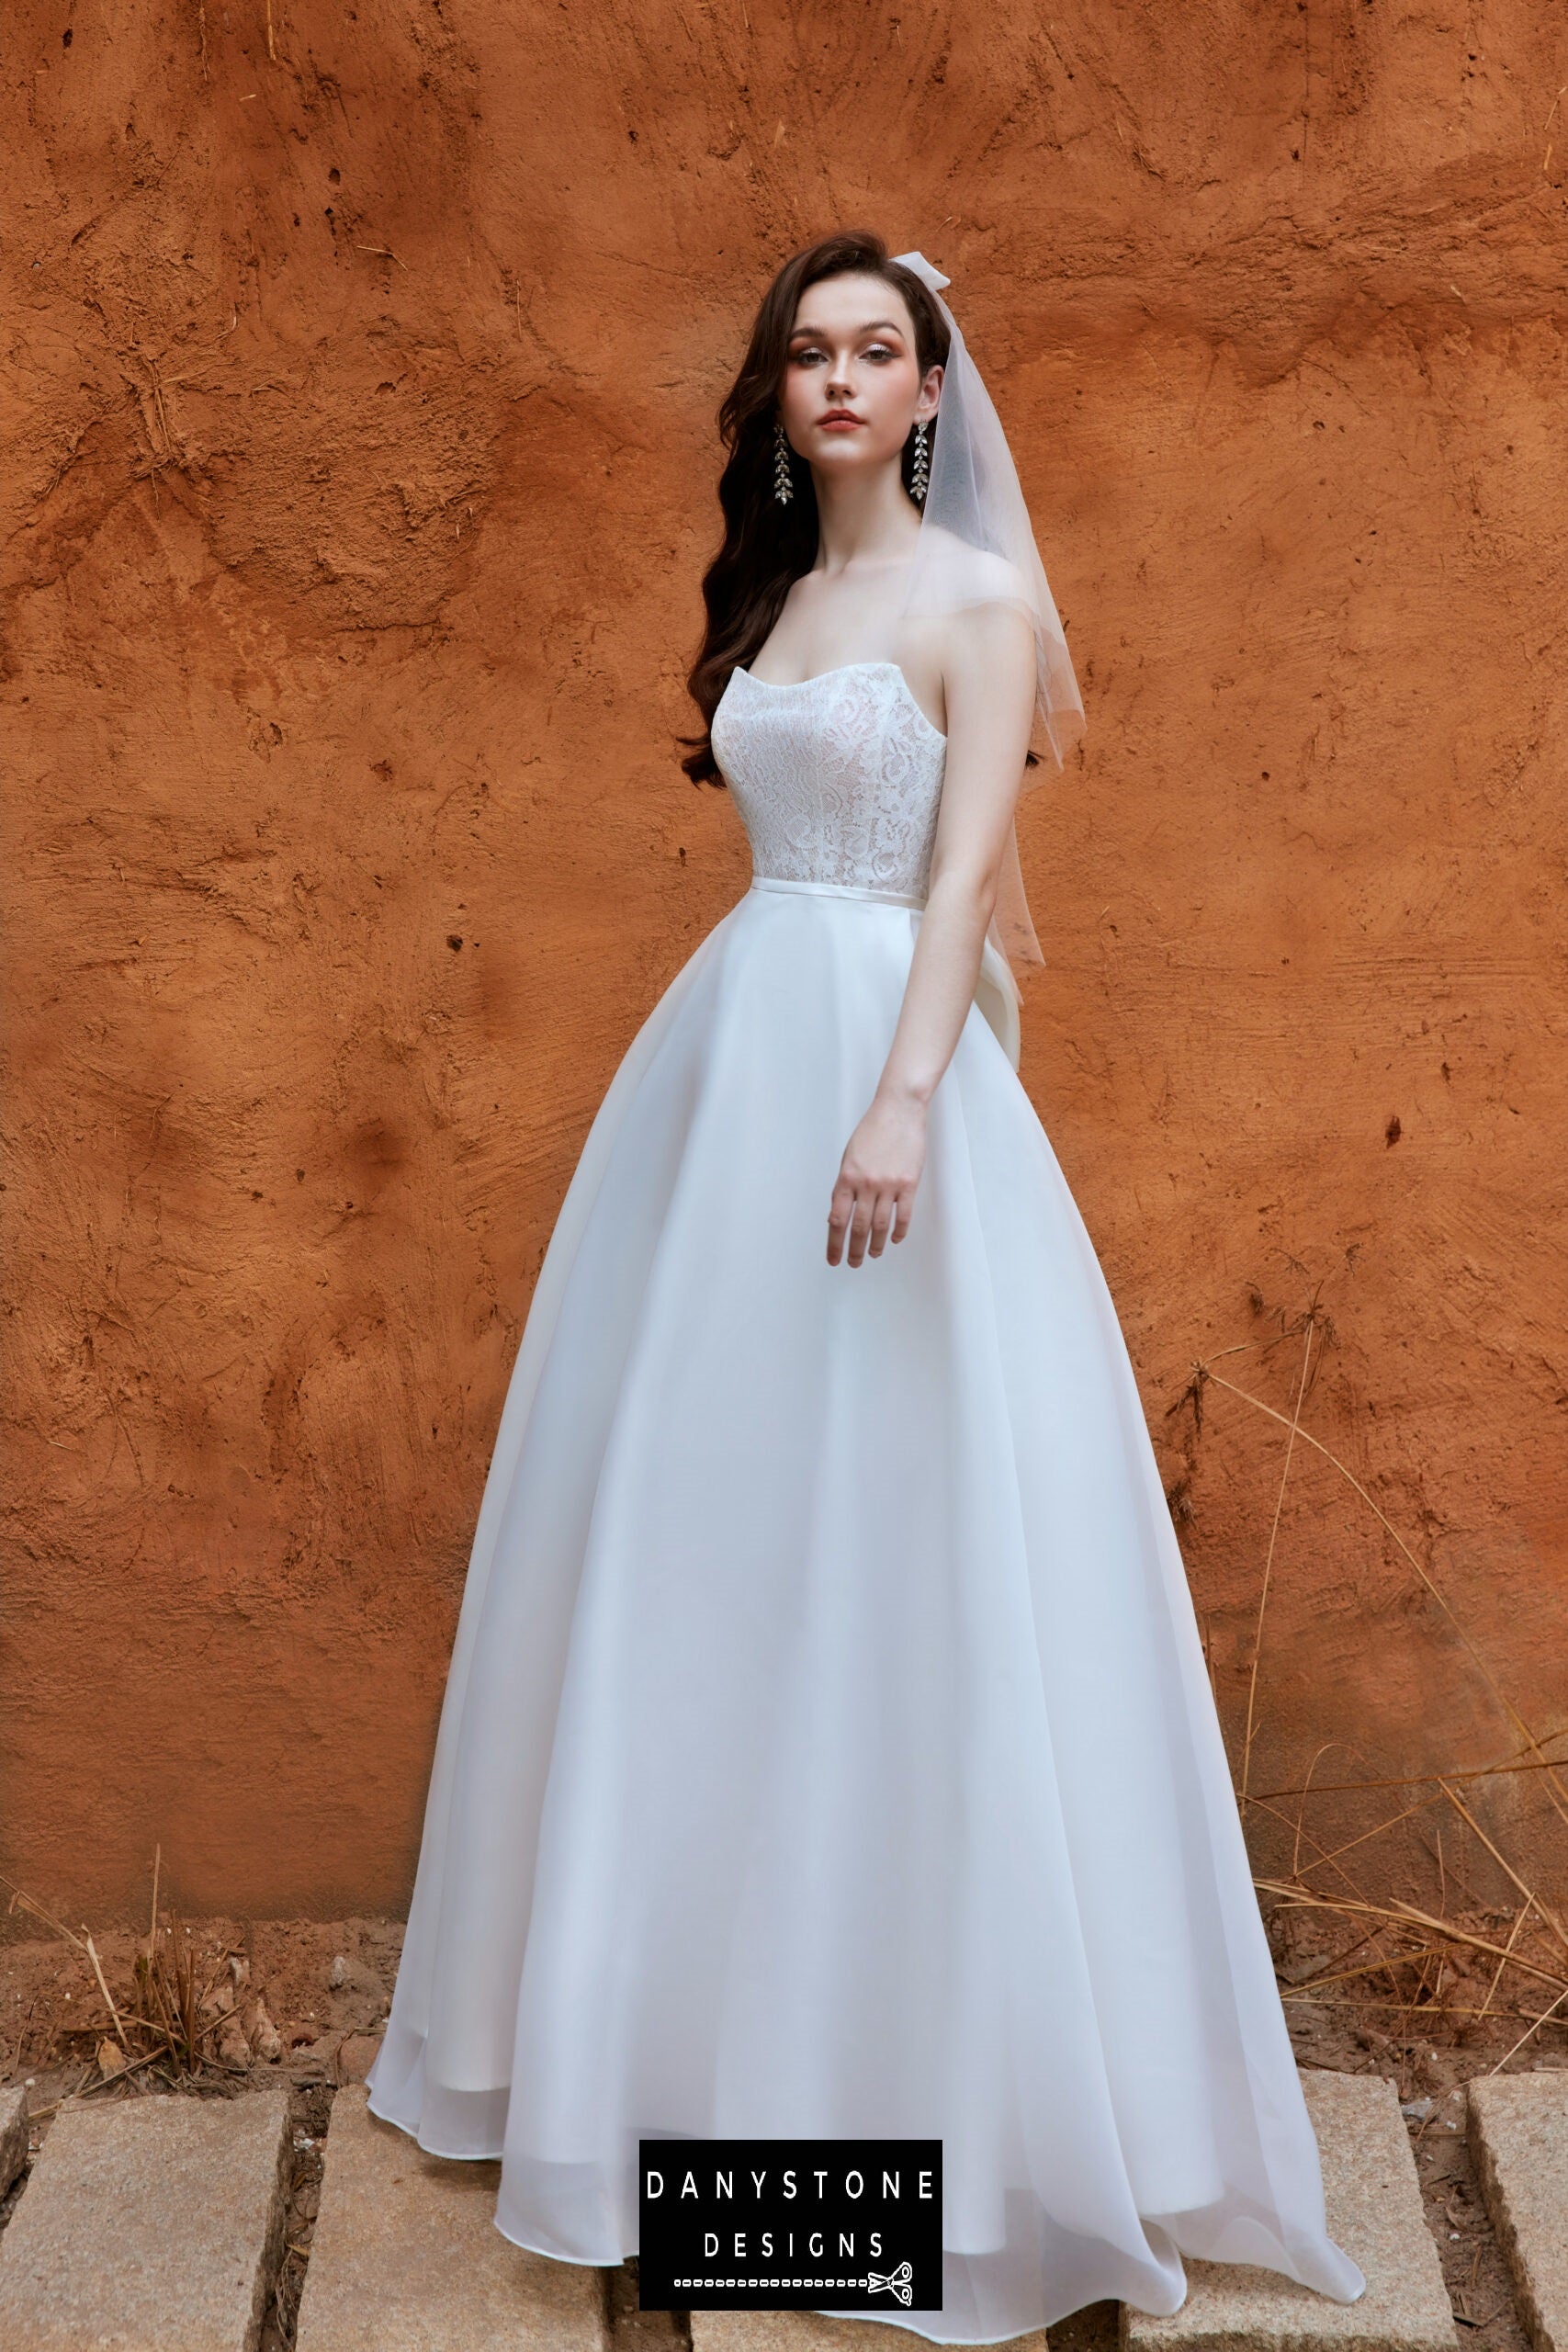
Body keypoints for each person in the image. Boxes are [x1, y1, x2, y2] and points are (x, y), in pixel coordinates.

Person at [364, 230, 1367, 2343]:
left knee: (915, 1553)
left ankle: (934, 2130)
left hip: (877, 1086)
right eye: (806, 351)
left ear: (929, 392)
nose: (838, 379)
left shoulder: (975, 602)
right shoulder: (783, 600)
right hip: (723, 1071)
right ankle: (706, 2120)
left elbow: (961, 872)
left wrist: (904, 1100)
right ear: (780, 391)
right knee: (702, 1545)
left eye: (875, 350)